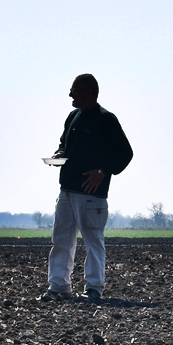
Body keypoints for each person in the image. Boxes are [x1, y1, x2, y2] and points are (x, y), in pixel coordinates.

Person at [41, 74, 133, 303]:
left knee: (93, 241)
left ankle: (94, 288)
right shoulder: (73, 117)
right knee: (61, 239)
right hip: (67, 191)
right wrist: (60, 154)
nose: (70, 94)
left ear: (89, 92)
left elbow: (125, 153)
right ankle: (58, 286)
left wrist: (102, 171)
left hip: (92, 196)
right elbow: (64, 144)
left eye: (74, 90)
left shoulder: (106, 120)